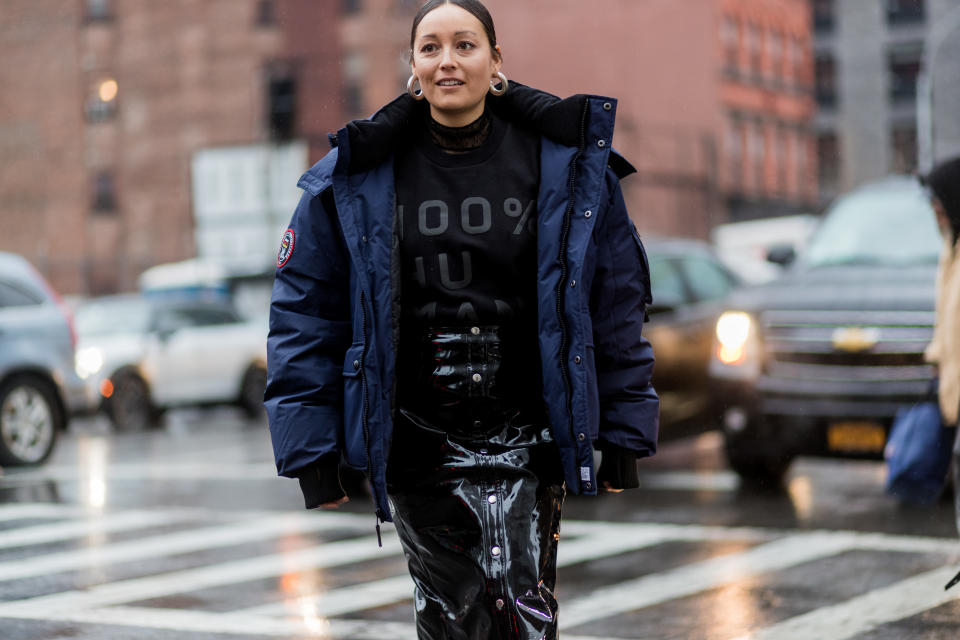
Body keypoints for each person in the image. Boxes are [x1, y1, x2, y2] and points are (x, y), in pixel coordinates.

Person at [264, 0, 659, 636]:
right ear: (413, 68)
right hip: (416, 437)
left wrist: (623, 433)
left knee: (523, 608)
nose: (448, 60)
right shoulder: (354, 178)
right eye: (430, 48)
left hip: (531, 431)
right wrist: (313, 454)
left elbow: (612, 308)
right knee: (456, 611)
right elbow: (305, 315)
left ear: (496, 61)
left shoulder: (566, 165)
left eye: (466, 45)